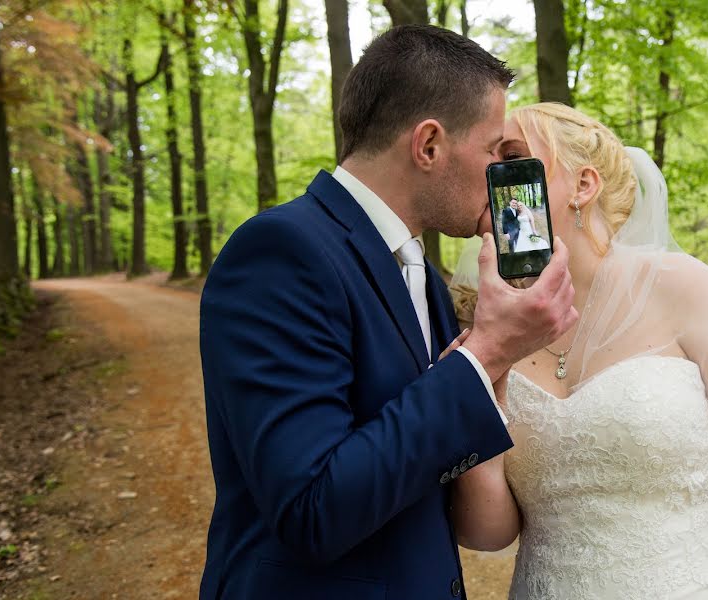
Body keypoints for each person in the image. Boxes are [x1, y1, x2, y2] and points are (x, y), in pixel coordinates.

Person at [197, 27, 578, 599]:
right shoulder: (280, 252)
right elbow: (311, 509)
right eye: (492, 149)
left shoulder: (420, 271)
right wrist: (484, 355)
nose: (503, 173)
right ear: (429, 145)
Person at [449, 102, 708, 599]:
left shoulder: (683, 289)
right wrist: (476, 410)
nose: (492, 177)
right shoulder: (485, 329)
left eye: (512, 158)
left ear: (584, 186)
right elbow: (488, 534)